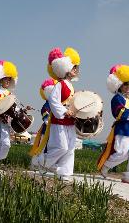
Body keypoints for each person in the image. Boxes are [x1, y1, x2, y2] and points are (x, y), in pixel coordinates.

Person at [97, 64, 129, 184]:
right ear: (119, 84)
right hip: (122, 129)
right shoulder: (116, 99)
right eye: (126, 83)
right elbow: (119, 113)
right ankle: (105, 166)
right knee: (121, 152)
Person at [43, 47, 81, 181]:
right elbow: (53, 101)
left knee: (70, 148)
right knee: (62, 146)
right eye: (73, 67)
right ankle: (43, 162)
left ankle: (64, 172)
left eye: (76, 67)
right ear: (65, 68)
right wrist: (65, 111)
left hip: (70, 122)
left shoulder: (71, 85)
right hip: (59, 121)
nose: (76, 70)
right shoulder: (60, 85)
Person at [29, 78, 57, 170]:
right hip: (46, 130)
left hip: (52, 130)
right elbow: (46, 119)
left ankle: (43, 164)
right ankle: (36, 164)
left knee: (48, 149)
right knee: (42, 147)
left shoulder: (54, 104)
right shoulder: (47, 105)